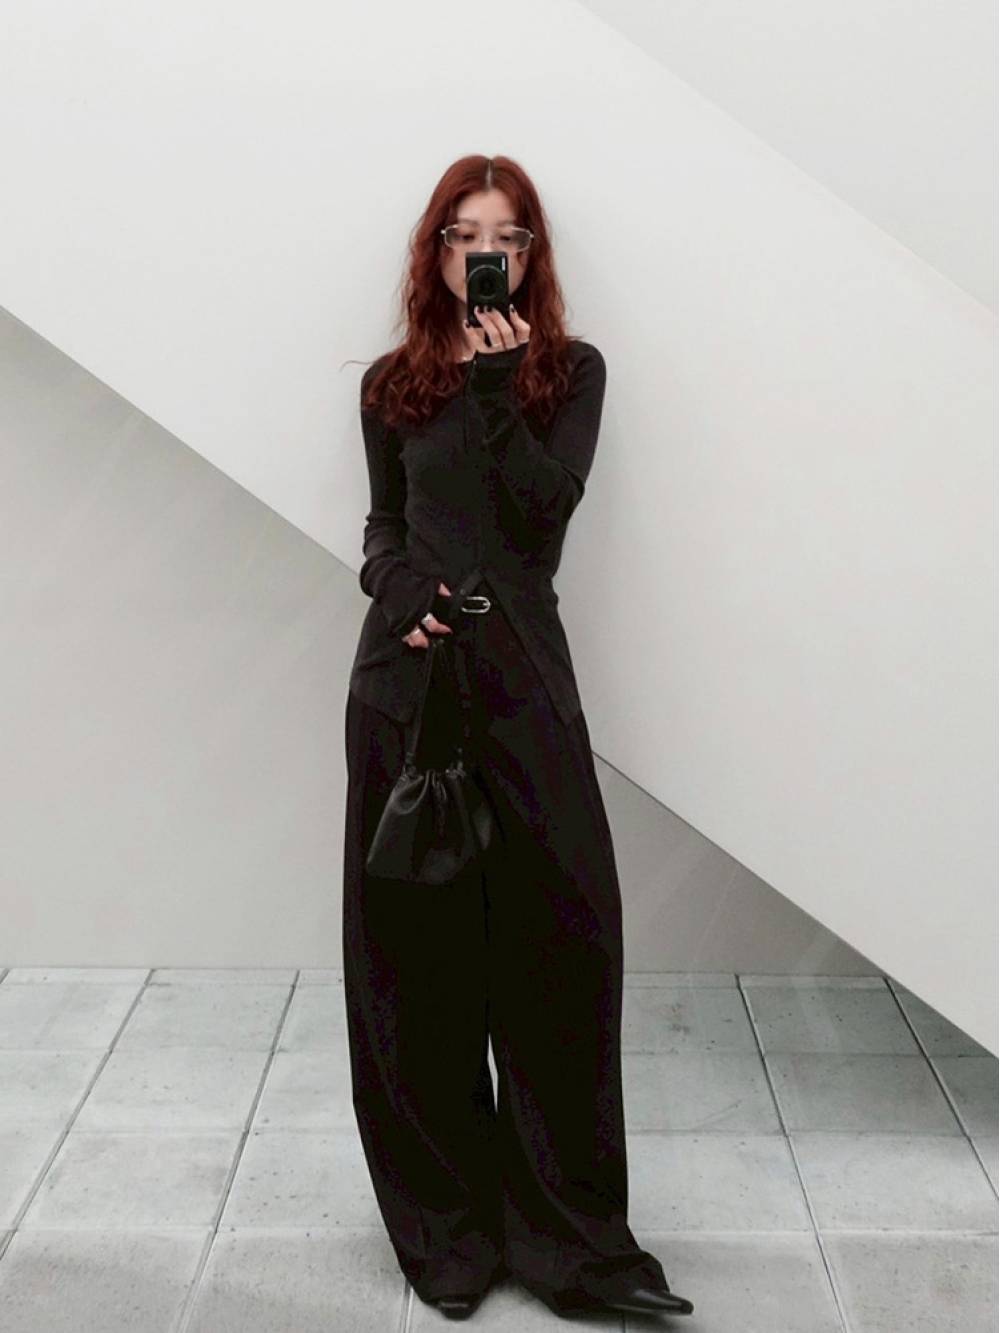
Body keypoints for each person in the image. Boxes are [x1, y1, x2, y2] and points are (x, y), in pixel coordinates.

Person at [342, 154, 694, 1322]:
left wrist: (496, 392)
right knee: (416, 967)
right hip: (406, 693)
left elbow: (542, 523)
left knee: (560, 952)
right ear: (435, 250)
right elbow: (382, 528)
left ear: (530, 255)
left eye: (506, 236)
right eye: (463, 233)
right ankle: (446, 1230)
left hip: (524, 688)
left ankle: (568, 1240)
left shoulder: (567, 373)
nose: (483, 253)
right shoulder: (391, 384)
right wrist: (400, 592)